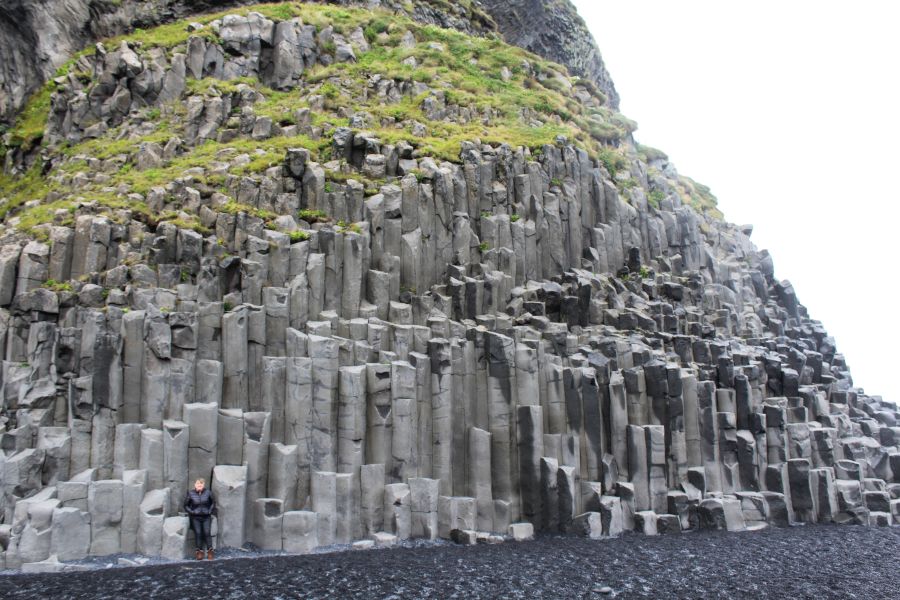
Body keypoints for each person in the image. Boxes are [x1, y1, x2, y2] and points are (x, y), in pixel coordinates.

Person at [184, 478, 216, 560]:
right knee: (198, 533)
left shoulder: (208, 492)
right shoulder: (191, 493)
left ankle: (210, 552)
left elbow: (213, 503)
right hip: (195, 517)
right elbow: (186, 505)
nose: (199, 486)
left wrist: (209, 511)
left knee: (207, 533)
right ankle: (199, 552)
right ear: (195, 485)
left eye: (201, 484)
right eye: (198, 484)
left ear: (203, 485)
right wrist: (192, 512)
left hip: (206, 517)